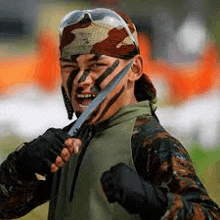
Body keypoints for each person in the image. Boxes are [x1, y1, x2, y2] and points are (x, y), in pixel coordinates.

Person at [0, 8, 220, 220]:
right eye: (70, 66)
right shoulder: (69, 142)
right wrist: (22, 163)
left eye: (96, 64)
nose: (81, 80)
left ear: (133, 70)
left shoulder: (149, 143)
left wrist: (151, 200)